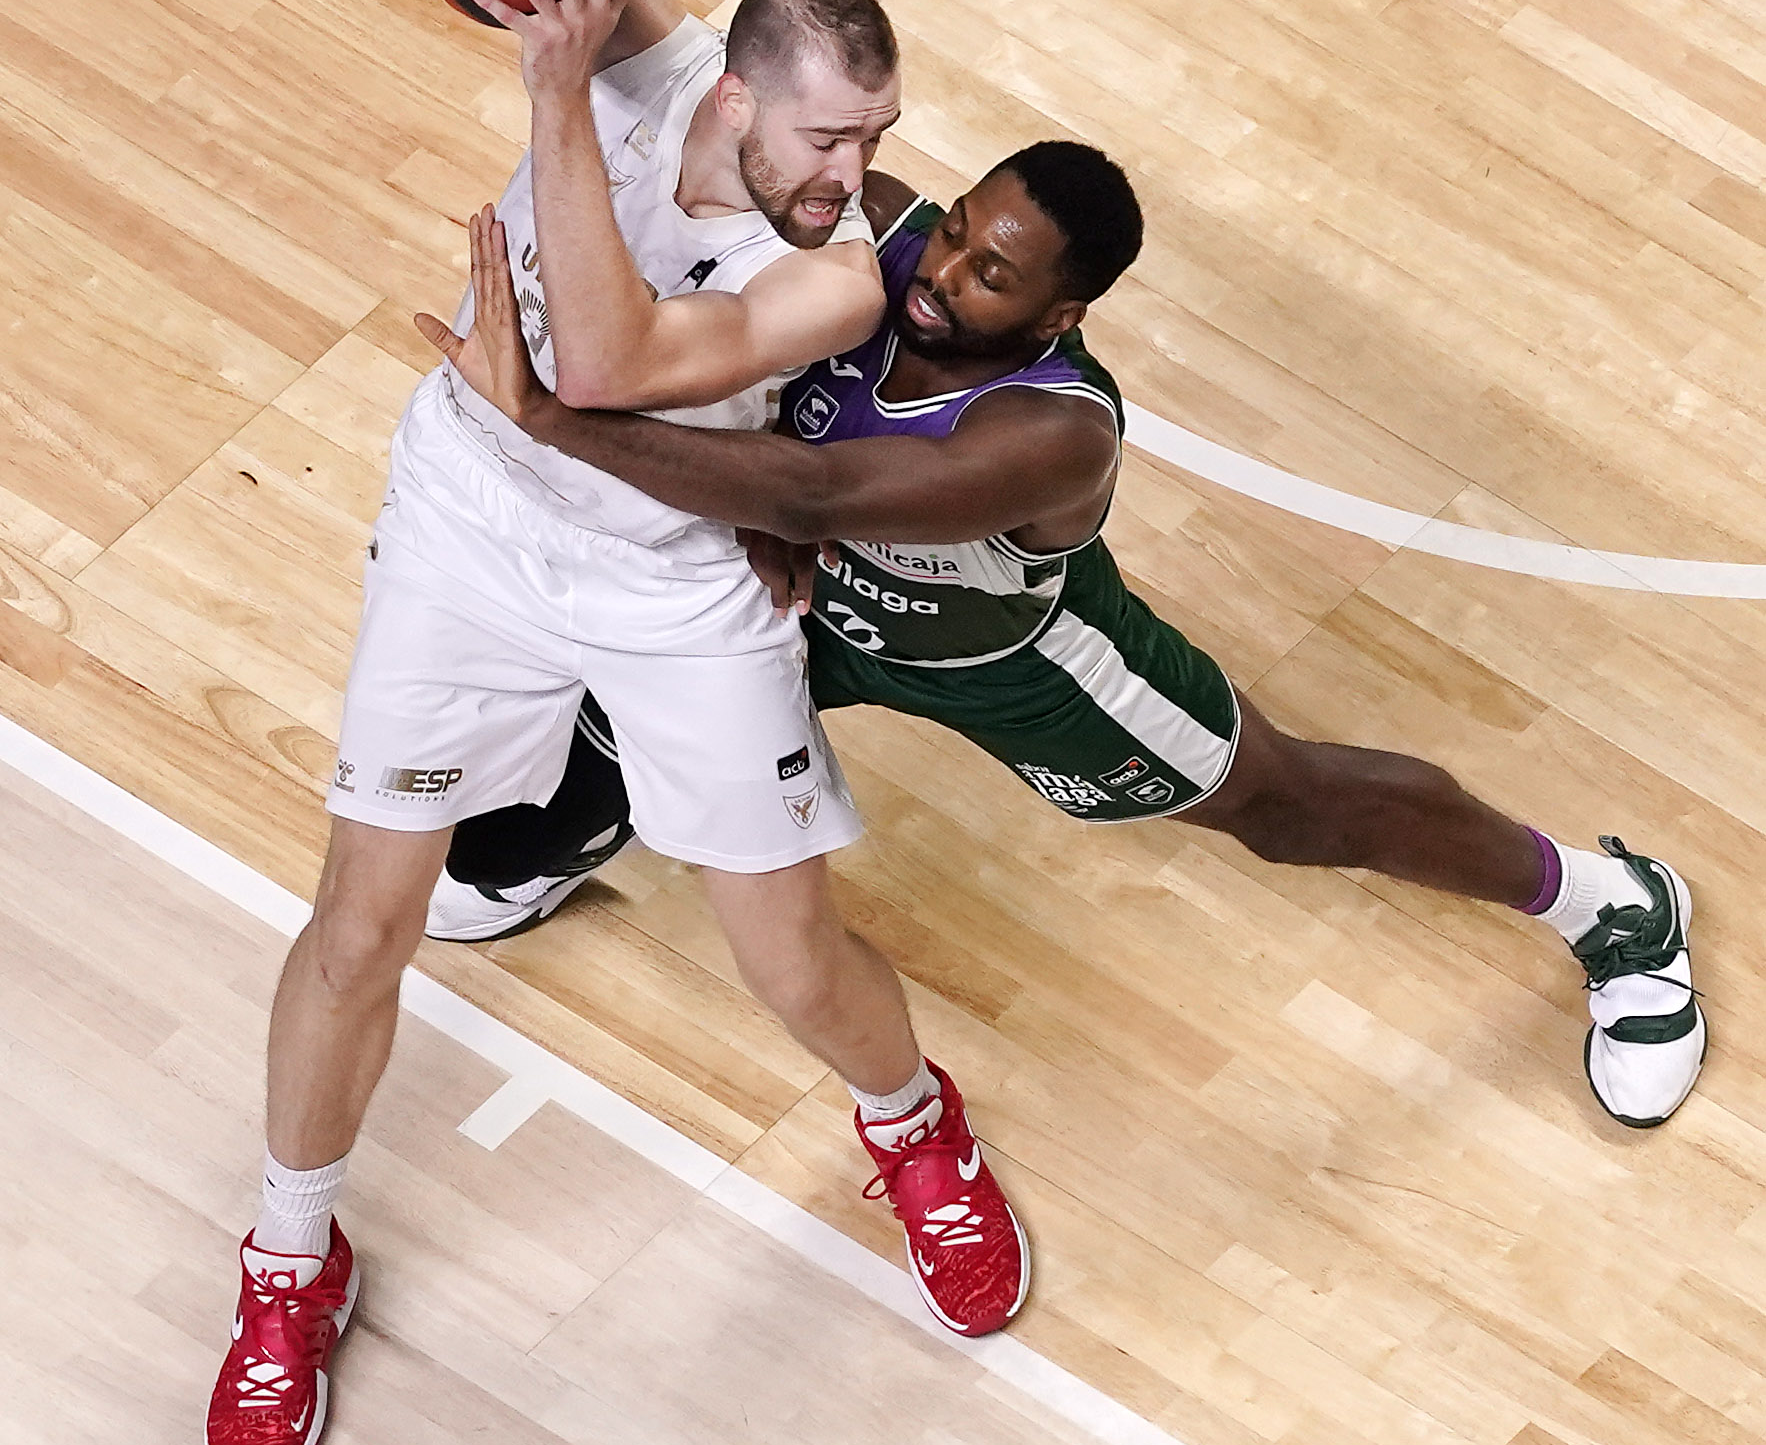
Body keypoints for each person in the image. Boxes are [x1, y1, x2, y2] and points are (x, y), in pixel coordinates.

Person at [204, 0, 1027, 1445]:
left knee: (789, 957)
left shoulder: (835, 276)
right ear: (733, 94)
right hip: (475, 529)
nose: (862, 174)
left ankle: (914, 1127)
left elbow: (598, 363)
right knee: (359, 923)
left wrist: (552, 93)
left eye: (876, 138)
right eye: (831, 137)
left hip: (673, 576)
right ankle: (288, 1260)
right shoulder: (648, 63)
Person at [428, 151, 1706, 1150]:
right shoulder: (865, 231)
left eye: (991, 274)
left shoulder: (1051, 432)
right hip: (800, 609)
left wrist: (547, 417)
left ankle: (1613, 907)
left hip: (999, 658)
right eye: (954, 230)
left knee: (1285, 807)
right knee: (575, 742)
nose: (941, 272)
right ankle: (555, 840)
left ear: (1058, 314)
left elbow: (816, 496)